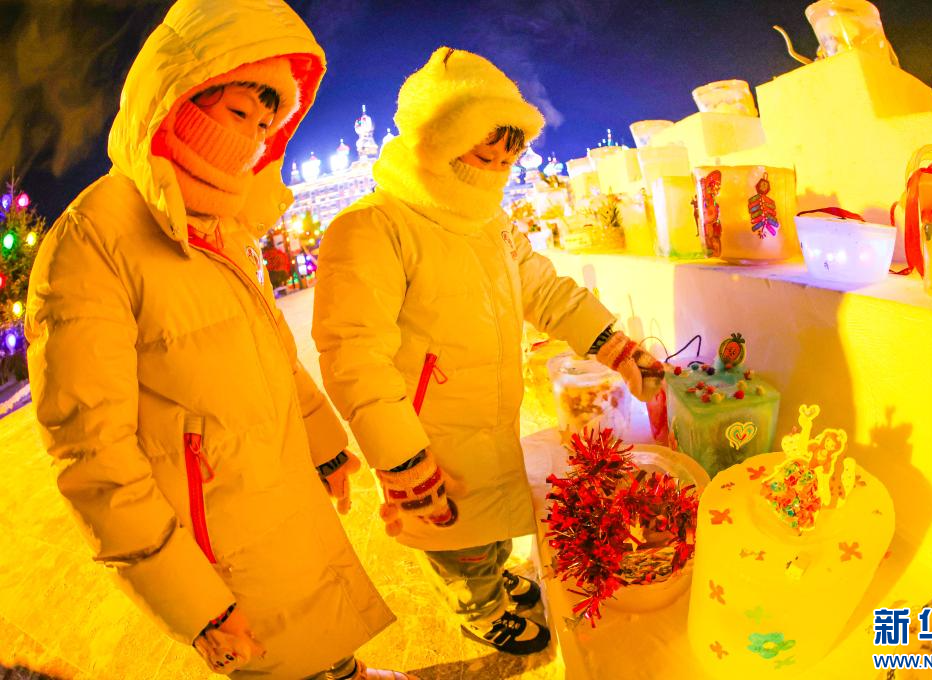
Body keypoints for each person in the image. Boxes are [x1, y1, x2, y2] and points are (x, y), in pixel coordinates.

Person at [25, 1, 414, 678]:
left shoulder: (222, 222)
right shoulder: (95, 238)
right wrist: (193, 602)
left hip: (272, 483)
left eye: (266, 125)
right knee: (269, 651)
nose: (254, 140)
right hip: (209, 534)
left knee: (310, 616)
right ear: (178, 97)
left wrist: (322, 443)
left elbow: (271, 350)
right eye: (239, 113)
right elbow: (92, 453)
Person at [312, 46, 663, 656]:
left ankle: (493, 579)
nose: (497, 172)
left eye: (508, 159)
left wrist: (611, 343)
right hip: (426, 433)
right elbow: (353, 354)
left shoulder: (489, 221)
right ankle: (477, 609)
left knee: (492, 520)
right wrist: (402, 460)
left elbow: (543, 289)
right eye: (484, 156)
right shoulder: (374, 227)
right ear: (440, 143)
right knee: (456, 537)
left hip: (488, 412)